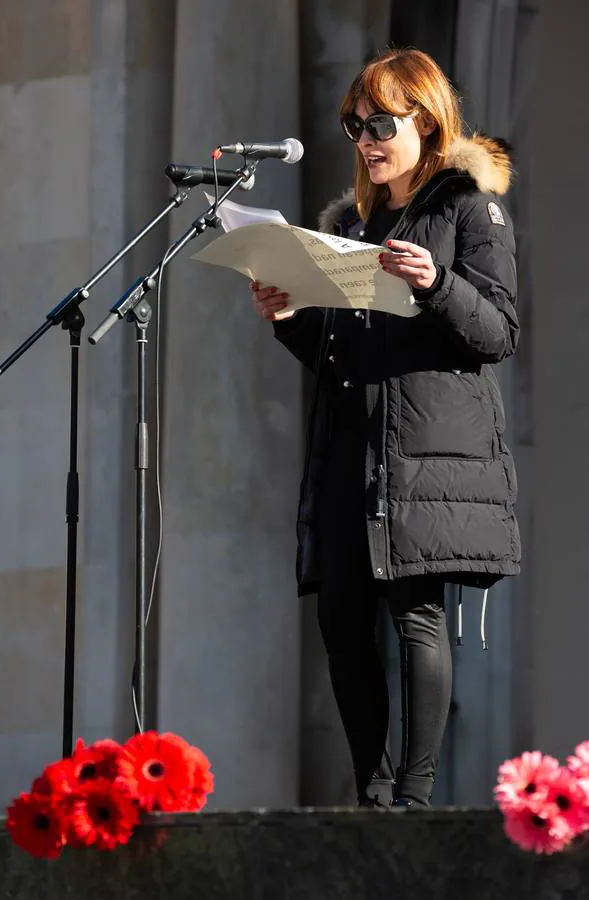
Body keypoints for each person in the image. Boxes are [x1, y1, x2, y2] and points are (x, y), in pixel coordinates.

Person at [250, 48, 520, 809]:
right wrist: (290, 320)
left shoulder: (468, 207)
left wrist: (435, 284)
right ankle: (371, 786)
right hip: (349, 441)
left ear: (425, 121)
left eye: (379, 122)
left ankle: (415, 792)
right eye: (352, 124)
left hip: (429, 446)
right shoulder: (349, 223)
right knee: (340, 616)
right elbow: (342, 350)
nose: (364, 137)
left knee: (415, 612)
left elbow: (499, 331)